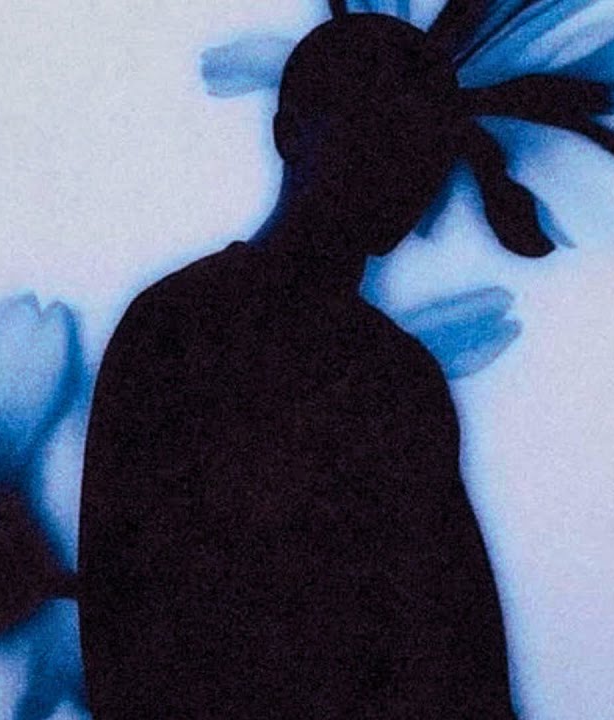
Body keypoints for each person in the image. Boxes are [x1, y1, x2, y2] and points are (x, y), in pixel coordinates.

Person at [79, 15, 516, 718]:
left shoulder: (398, 379)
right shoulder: (183, 331)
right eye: (379, 131)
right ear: (289, 134)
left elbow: (460, 642)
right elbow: (125, 614)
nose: (409, 167)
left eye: (429, 143)